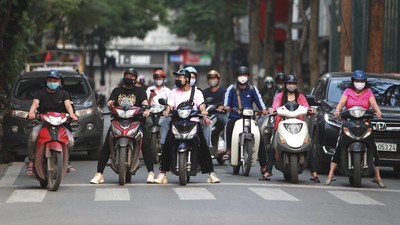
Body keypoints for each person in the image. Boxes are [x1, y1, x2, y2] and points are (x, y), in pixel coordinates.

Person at [153, 69, 220, 184]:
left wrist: (203, 112)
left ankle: (211, 173)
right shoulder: (173, 92)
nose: (178, 79)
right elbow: (169, 105)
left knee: (202, 144)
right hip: (176, 122)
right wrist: (166, 111)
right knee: (168, 143)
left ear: (187, 79)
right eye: (177, 77)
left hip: (193, 121)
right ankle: (162, 173)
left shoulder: (197, 92)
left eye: (181, 77)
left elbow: (202, 105)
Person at [90, 68, 153, 184]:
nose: (129, 78)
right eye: (127, 76)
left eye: (131, 77)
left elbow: (145, 103)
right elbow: (110, 103)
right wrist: (110, 104)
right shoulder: (116, 90)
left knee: (145, 144)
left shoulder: (140, 91)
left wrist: (146, 109)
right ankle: (99, 174)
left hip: (135, 122)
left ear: (135, 79)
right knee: (107, 144)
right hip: (118, 121)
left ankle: (151, 173)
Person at [324, 70, 385, 188]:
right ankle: (330, 174)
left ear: (365, 82)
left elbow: (373, 104)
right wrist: (337, 111)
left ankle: (377, 176)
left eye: (362, 81)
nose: (359, 83)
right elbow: (341, 103)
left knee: (372, 145)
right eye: (357, 81)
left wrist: (378, 111)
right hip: (349, 123)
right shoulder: (348, 91)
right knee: (339, 145)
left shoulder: (368, 92)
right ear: (353, 81)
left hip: (365, 123)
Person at [266, 74, 318, 182]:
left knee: (310, 145)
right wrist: (272, 110)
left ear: (296, 85)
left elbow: (306, 107)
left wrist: (311, 110)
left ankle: (314, 172)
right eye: (289, 83)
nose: (291, 85)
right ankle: (268, 171)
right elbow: (275, 106)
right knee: (271, 146)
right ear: (286, 85)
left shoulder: (301, 97)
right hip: (281, 124)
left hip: (299, 126)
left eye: (293, 83)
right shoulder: (280, 96)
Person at [26, 70, 78, 175]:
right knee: (33, 135)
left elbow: (68, 105)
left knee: (71, 141)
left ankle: (66, 161)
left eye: (55, 80)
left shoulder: (64, 93)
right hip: (44, 123)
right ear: (47, 81)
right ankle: (31, 160)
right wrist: (31, 112)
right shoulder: (40, 93)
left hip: (60, 124)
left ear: (59, 82)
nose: (52, 82)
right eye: (50, 80)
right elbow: (35, 103)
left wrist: (72, 114)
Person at [223, 66, 268, 179]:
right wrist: (227, 107)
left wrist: (264, 110)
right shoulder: (231, 89)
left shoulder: (253, 89)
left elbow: (260, 102)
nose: (242, 78)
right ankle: (229, 150)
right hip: (235, 117)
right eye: (240, 75)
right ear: (237, 77)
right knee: (229, 126)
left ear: (248, 77)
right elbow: (226, 102)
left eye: (245, 75)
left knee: (259, 137)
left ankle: (264, 165)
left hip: (249, 119)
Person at [202, 70, 228, 148]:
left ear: (218, 79)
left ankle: (227, 145)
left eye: (214, 78)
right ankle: (204, 147)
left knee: (227, 123)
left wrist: (223, 106)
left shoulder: (223, 91)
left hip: (220, 114)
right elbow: (202, 104)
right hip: (208, 115)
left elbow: (225, 102)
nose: (212, 80)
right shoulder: (204, 92)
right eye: (210, 78)